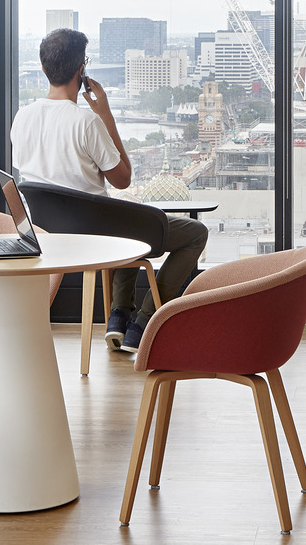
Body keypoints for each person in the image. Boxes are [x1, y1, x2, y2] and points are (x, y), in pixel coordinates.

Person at [11, 28, 209, 354]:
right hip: (98, 239)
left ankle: (119, 318)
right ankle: (145, 321)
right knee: (194, 233)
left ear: (44, 69)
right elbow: (123, 178)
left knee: (126, 215)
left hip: (50, 237)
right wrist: (105, 115)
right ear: (82, 69)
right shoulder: (86, 122)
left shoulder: (22, 118)